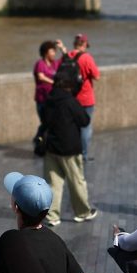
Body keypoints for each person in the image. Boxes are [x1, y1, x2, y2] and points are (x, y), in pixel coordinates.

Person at [39, 65, 96, 225]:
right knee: (76, 181)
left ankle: (52, 216)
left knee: (53, 184)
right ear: (69, 84)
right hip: (69, 149)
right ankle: (82, 212)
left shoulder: (49, 100)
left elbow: (44, 120)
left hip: (51, 148)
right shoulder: (70, 101)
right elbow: (85, 120)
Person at [66, 34, 101, 160]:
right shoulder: (86, 57)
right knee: (85, 127)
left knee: (73, 127)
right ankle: (83, 155)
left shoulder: (68, 56)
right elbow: (97, 76)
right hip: (86, 98)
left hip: (70, 98)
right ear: (84, 44)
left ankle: (72, 153)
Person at [31, 40, 60, 146]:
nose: (54, 54)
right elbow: (41, 77)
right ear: (46, 52)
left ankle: (40, 142)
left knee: (49, 123)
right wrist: (54, 82)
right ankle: (39, 141)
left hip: (52, 99)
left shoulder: (55, 64)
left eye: (55, 51)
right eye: (52, 51)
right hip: (42, 99)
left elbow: (67, 60)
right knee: (45, 123)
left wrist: (62, 48)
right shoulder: (40, 64)